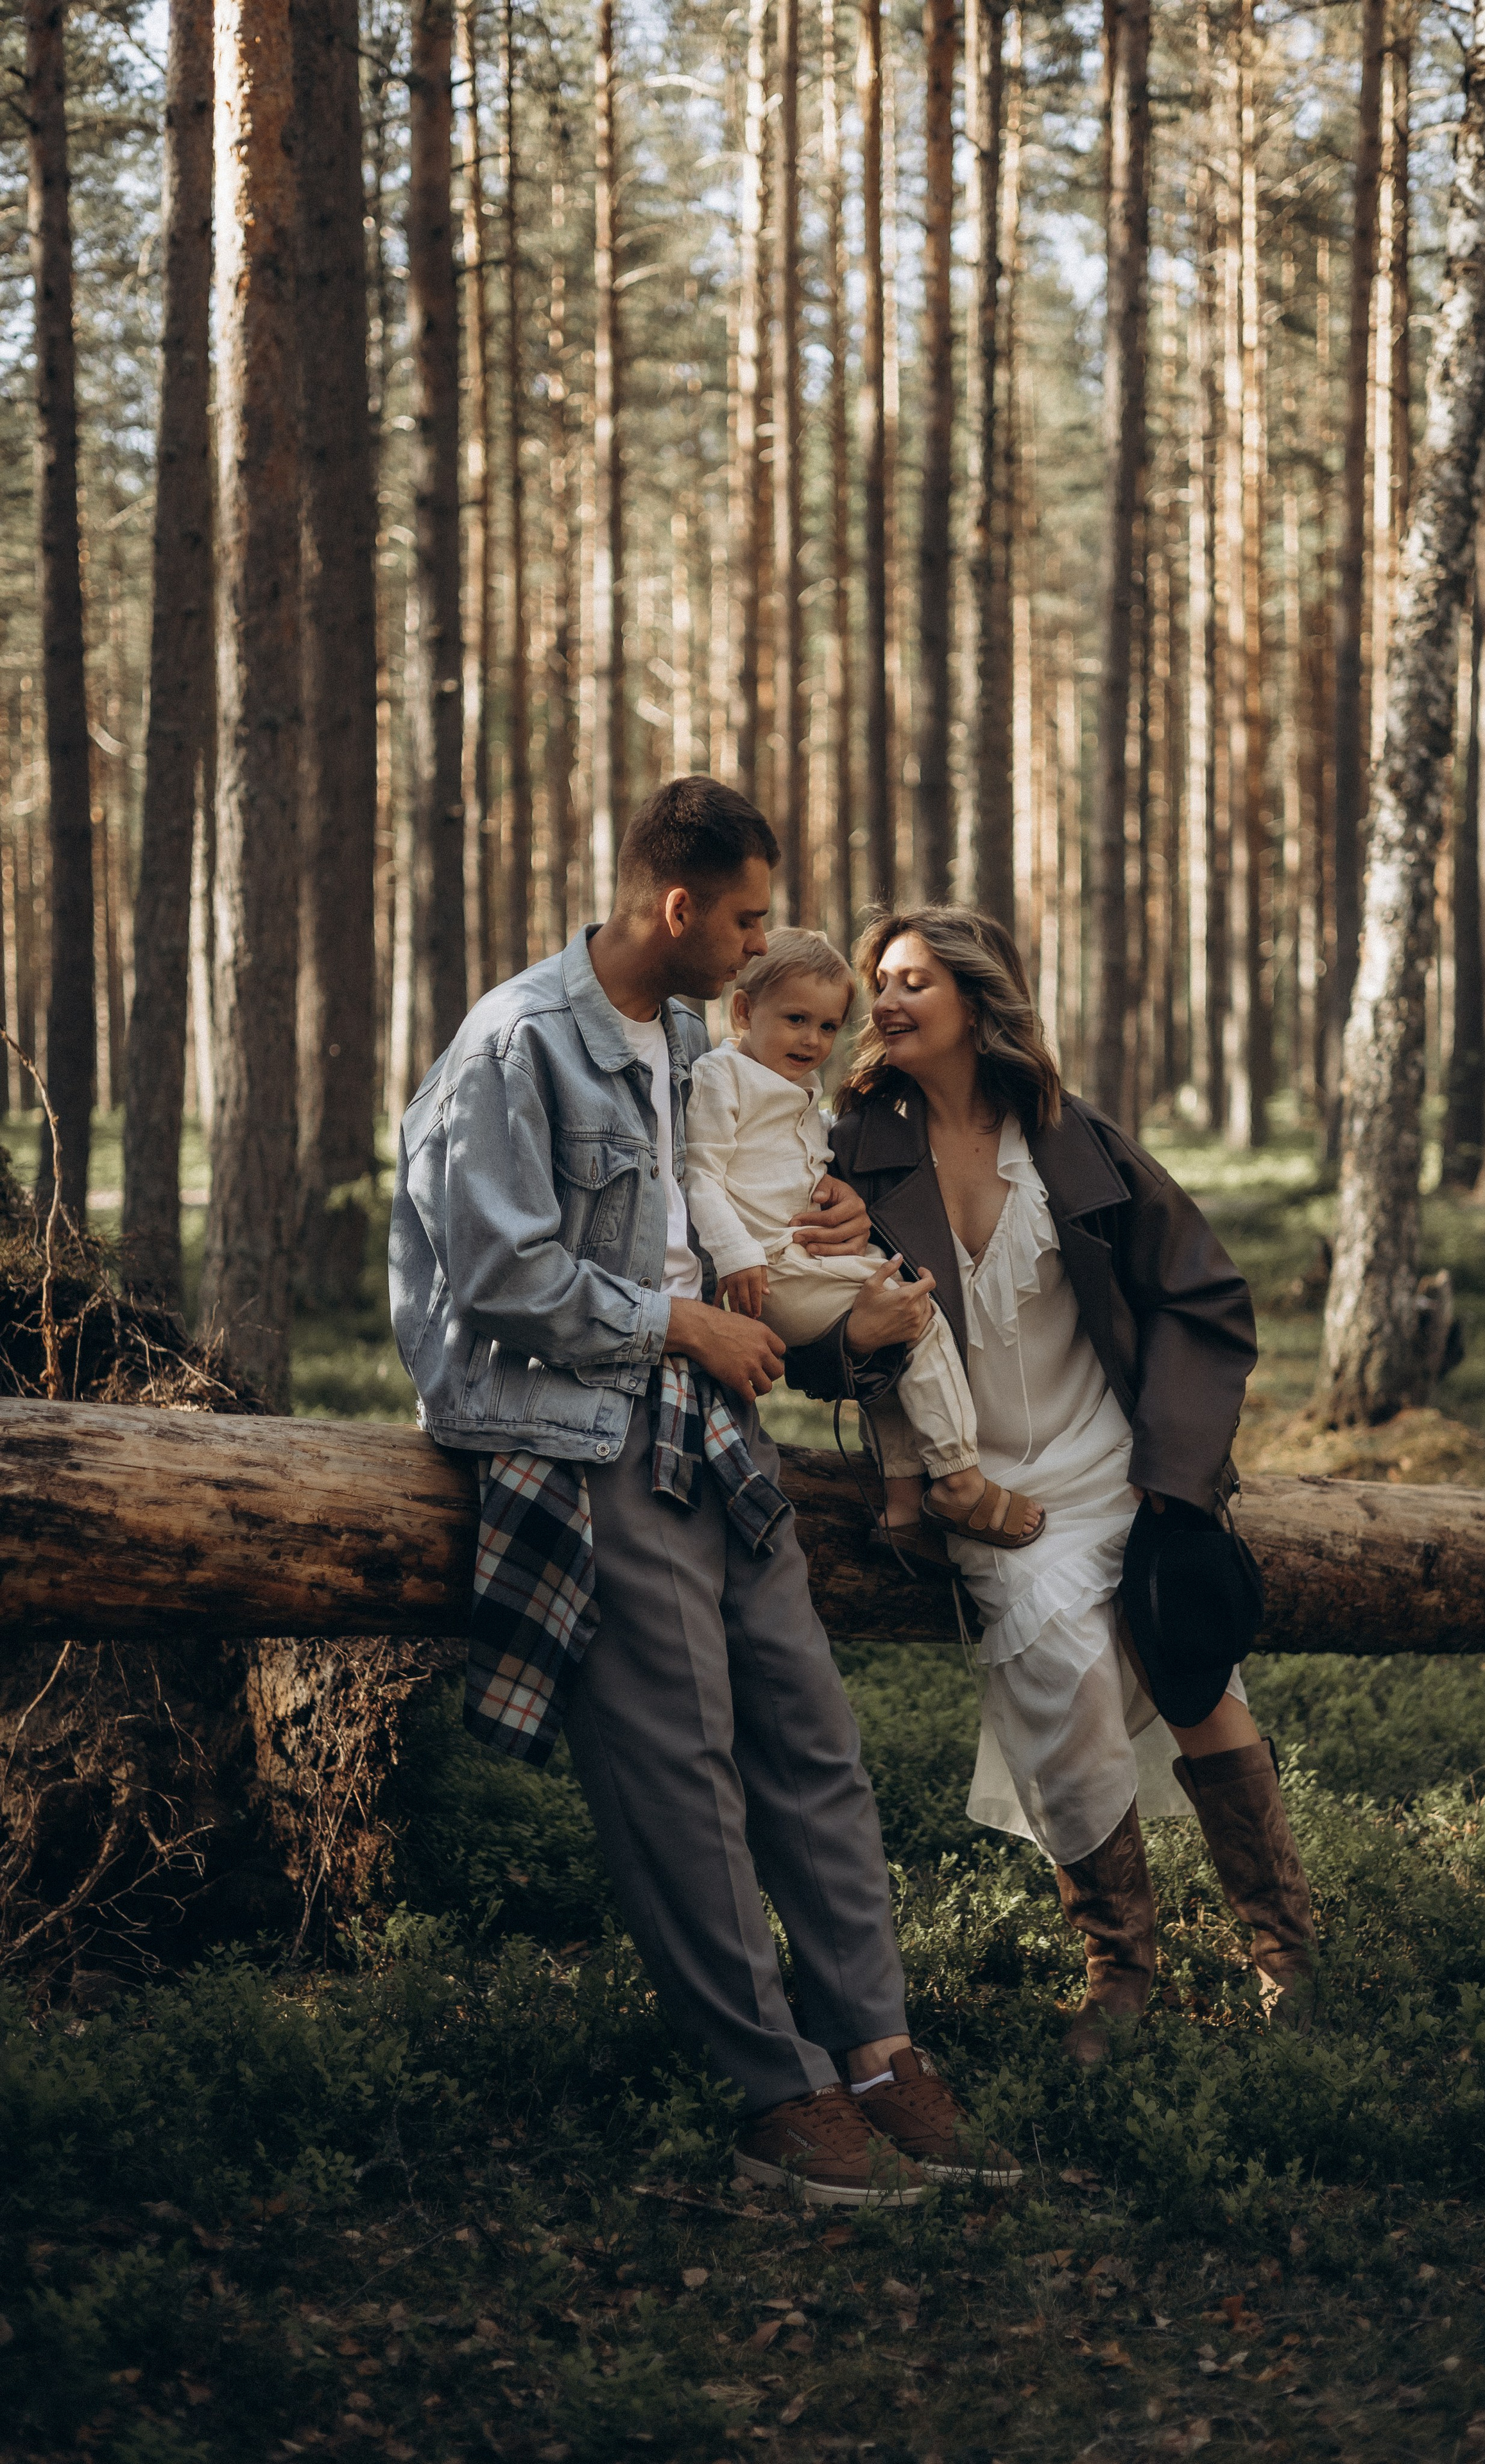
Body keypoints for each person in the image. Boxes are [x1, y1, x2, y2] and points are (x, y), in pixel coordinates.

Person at [390, 779, 1020, 2200]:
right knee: (677, 1762)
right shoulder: (518, 1044)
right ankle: (772, 2089)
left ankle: (874, 2049)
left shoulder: (693, 1041)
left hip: (708, 1418)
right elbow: (495, 1278)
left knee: (808, 1732)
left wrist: (823, 1224)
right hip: (577, 1427)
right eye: (742, 920)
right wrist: (679, 1324)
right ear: (676, 909)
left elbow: (734, 1193)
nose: (759, 946)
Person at [783, 905, 1318, 2066]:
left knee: (1199, 1678)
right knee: (1065, 1683)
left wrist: (1176, 1477)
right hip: (979, 1484)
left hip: (1115, 1463)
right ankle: (1121, 1975)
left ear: (978, 1001)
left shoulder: (1074, 1140)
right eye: (879, 981)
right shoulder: (847, 1148)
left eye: (912, 980)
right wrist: (858, 1335)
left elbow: (1204, 1294)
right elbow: (804, 1330)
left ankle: (1289, 1960)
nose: (883, 1001)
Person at [683, 925, 1043, 1552]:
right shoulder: (723, 1077)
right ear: (743, 1010)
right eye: (795, 1019)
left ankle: (902, 1509)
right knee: (916, 1313)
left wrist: (837, 1186)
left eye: (827, 1027)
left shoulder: (796, 1088)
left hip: (792, 1260)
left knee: (893, 1344)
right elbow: (699, 1173)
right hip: (769, 1268)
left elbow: (801, 1147)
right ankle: (959, 1479)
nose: (812, 1040)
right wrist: (737, 1254)